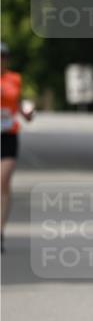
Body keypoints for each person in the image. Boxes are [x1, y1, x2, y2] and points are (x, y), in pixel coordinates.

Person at [1, 42, 35, 252]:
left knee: (2, 182)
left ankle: (0, 230)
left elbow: (19, 105)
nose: (1, 60)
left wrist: (27, 113)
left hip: (8, 135)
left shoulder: (15, 79)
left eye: (3, 57)